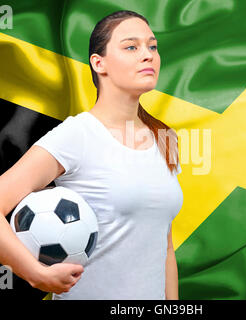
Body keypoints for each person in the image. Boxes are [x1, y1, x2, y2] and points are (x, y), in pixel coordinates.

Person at [0, 10, 183, 300]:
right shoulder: (78, 135)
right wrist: (36, 274)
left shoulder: (165, 138)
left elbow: (165, 246)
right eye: (131, 47)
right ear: (99, 64)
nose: (148, 55)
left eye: (152, 46)